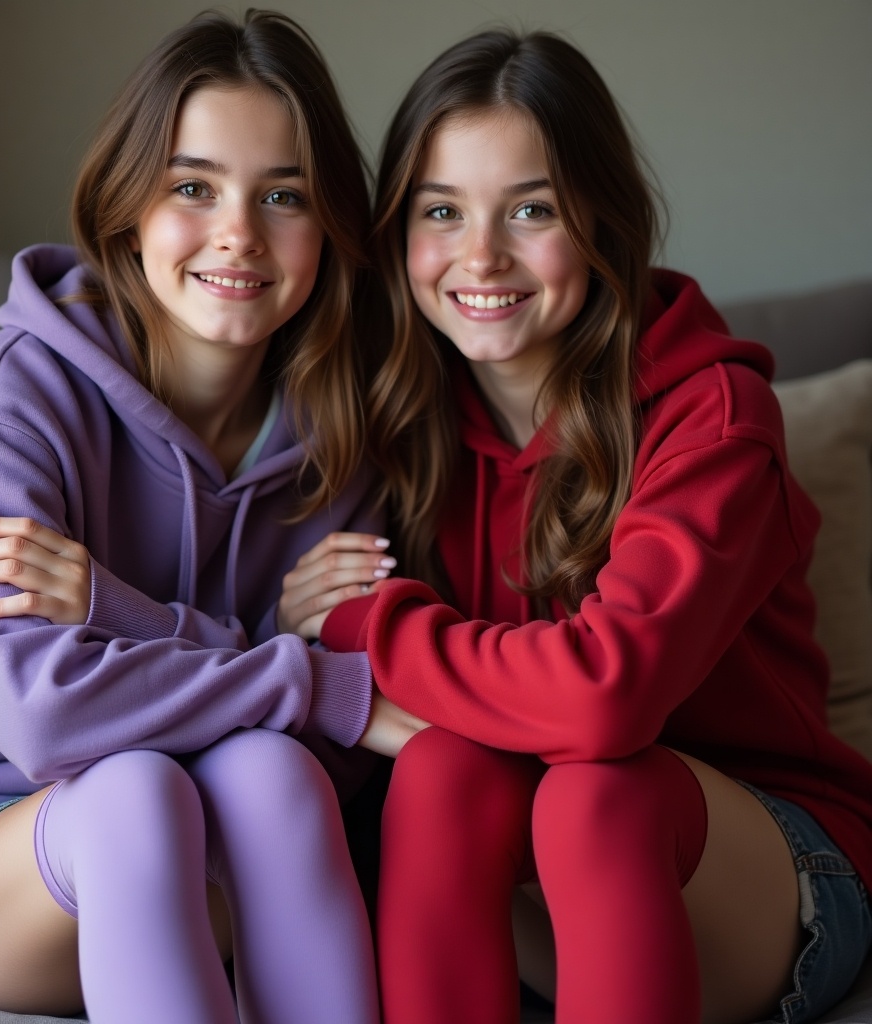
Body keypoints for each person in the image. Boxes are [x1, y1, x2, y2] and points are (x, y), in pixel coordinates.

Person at [0, 10, 411, 1023]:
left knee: (276, 771)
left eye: (281, 195)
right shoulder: (21, 387)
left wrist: (115, 608)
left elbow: (338, 758)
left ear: (328, 225)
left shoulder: (346, 437)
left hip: (209, 858)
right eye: (193, 187)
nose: (238, 231)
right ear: (128, 211)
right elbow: (46, 717)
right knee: (133, 793)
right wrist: (290, 661)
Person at [301, 27, 872, 1024]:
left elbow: (605, 700)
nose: (480, 255)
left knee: (596, 787)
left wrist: (365, 627)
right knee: (442, 769)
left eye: (531, 210)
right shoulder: (400, 418)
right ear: (399, 234)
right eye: (442, 210)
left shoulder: (713, 414)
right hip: (534, 893)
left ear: (601, 221)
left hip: (768, 877)